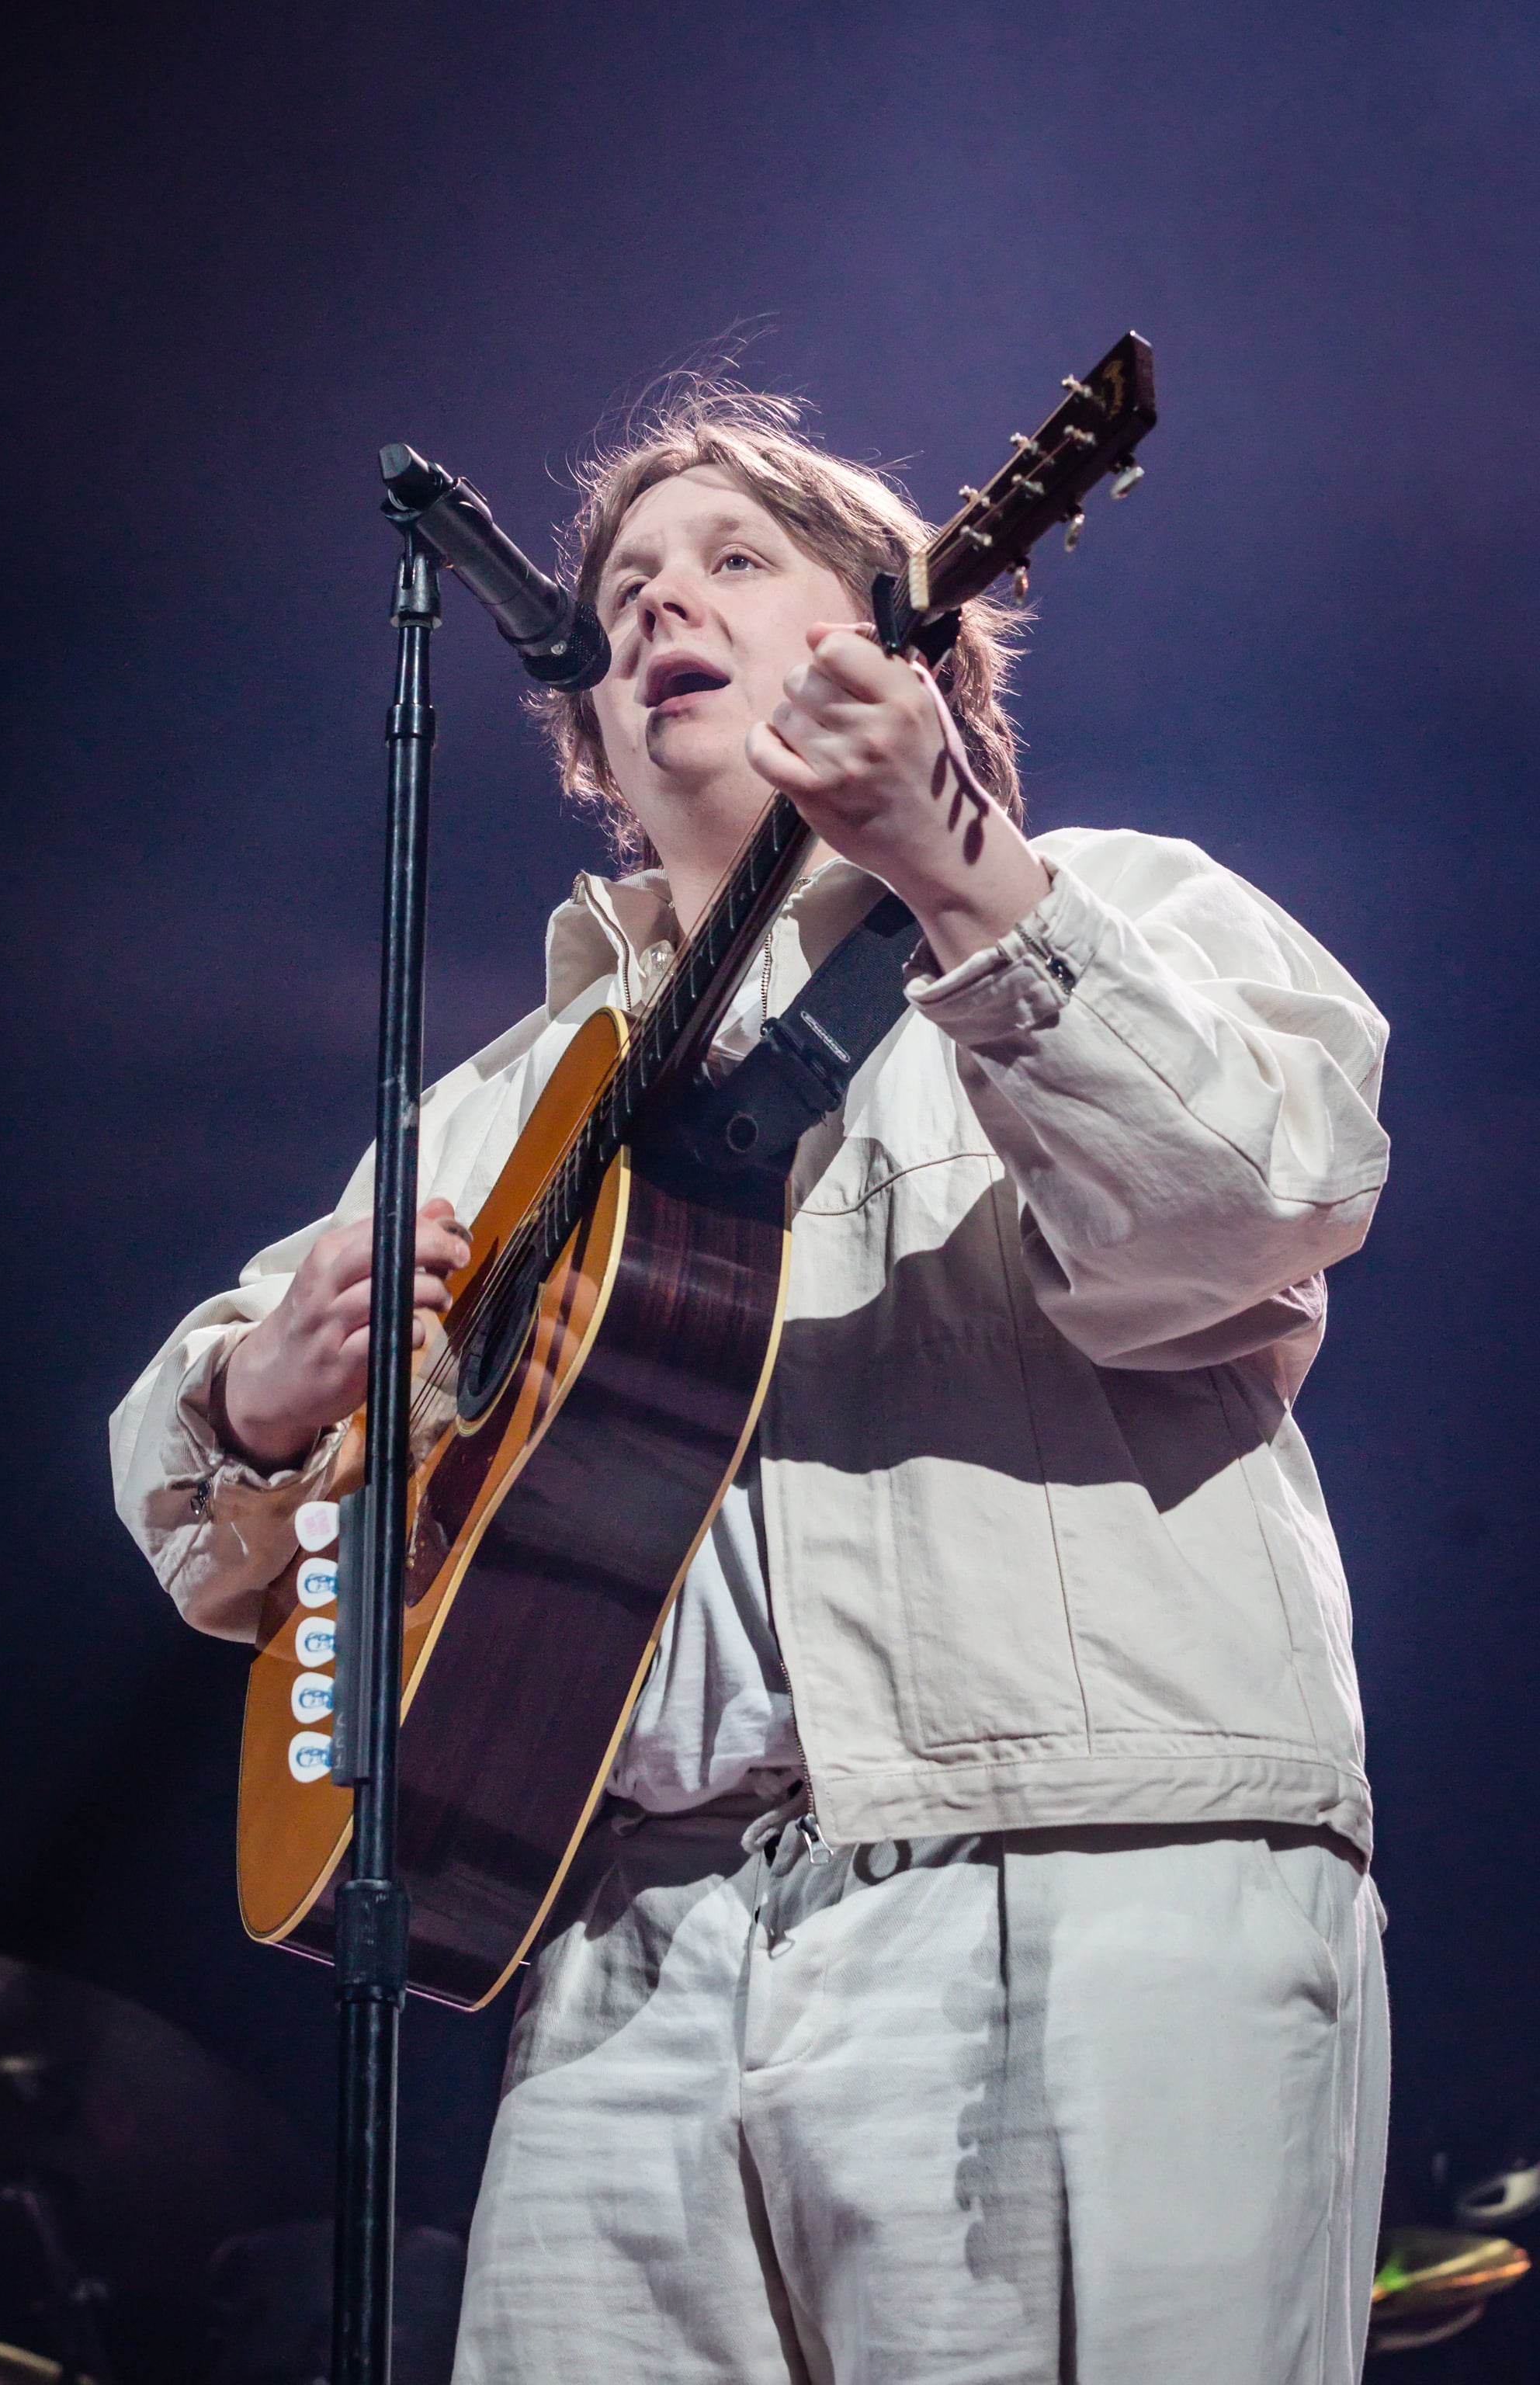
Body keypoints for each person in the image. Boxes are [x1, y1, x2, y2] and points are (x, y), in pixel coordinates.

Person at [111, 381, 1392, 2385]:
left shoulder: (1127, 904)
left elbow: (1255, 1215)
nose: (651, 608)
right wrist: (258, 1391)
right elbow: (172, 1475)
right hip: (625, 1971)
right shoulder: (489, 1114)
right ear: (595, 737)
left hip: (1079, 1885)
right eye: (618, 592)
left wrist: (962, 877)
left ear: (895, 630)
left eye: (730, 559)